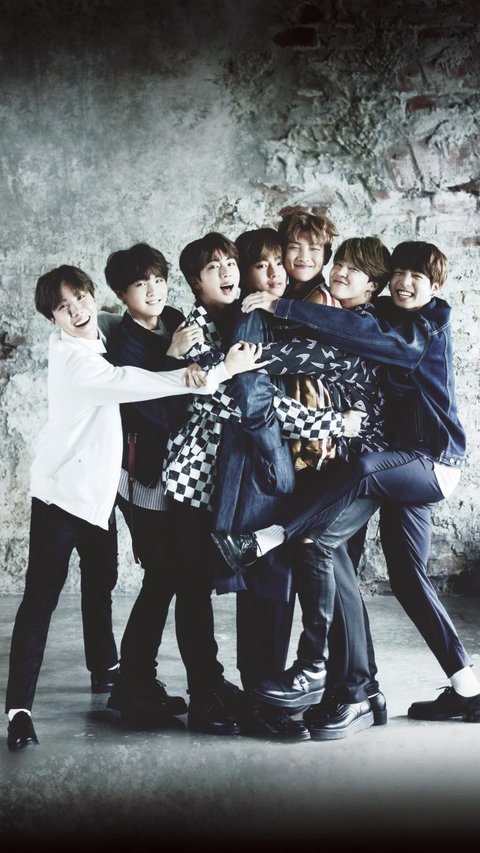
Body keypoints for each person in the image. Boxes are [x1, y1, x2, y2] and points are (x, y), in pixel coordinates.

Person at [212, 240, 480, 728]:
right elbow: (344, 323)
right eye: (399, 273)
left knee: (346, 497)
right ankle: (468, 688)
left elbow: (354, 336)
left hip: (430, 462)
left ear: (436, 286)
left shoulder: (424, 327)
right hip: (403, 466)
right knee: (407, 578)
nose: (405, 283)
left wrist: (277, 307)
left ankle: (275, 546)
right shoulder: (384, 312)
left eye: (418, 277)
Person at [5, 263, 264, 752]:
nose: (77, 310)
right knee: (41, 598)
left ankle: (108, 669)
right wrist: (222, 371)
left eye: (81, 297)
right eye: (63, 307)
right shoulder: (80, 365)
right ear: (51, 319)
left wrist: (143, 318)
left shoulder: (96, 327)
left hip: (101, 495)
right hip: (62, 496)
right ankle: (19, 711)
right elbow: (135, 382)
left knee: (101, 580)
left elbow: (116, 320)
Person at [163, 231, 362, 739]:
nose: (227, 273)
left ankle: (261, 694)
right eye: (215, 268)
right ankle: (206, 693)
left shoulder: (248, 318)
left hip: (246, 477)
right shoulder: (198, 330)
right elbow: (250, 403)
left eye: (230, 263)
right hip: (197, 481)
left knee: (265, 580)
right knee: (195, 588)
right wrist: (334, 424)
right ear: (195, 282)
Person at [224, 232, 391, 739]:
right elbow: (261, 386)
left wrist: (225, 359)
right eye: (276, 258)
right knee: (302, 575)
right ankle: (337, 688)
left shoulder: (343, 316)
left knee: (328, 564)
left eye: (314, 252)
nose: (294, 263)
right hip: (300, 466)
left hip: (346, 464)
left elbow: (293, 362)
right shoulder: (282, 308)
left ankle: (347, 685)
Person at [101, 242, 252, 735]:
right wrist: (169, 358)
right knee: (168, 577)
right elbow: (154, 415)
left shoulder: (173, 319)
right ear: (122, 294)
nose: (153, 290)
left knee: (176, 579)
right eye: (140, 284)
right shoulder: (126, 343)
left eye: (158, 280)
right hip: (145, 477)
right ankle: (140, 684)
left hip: (175, 475)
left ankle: (145, 683)